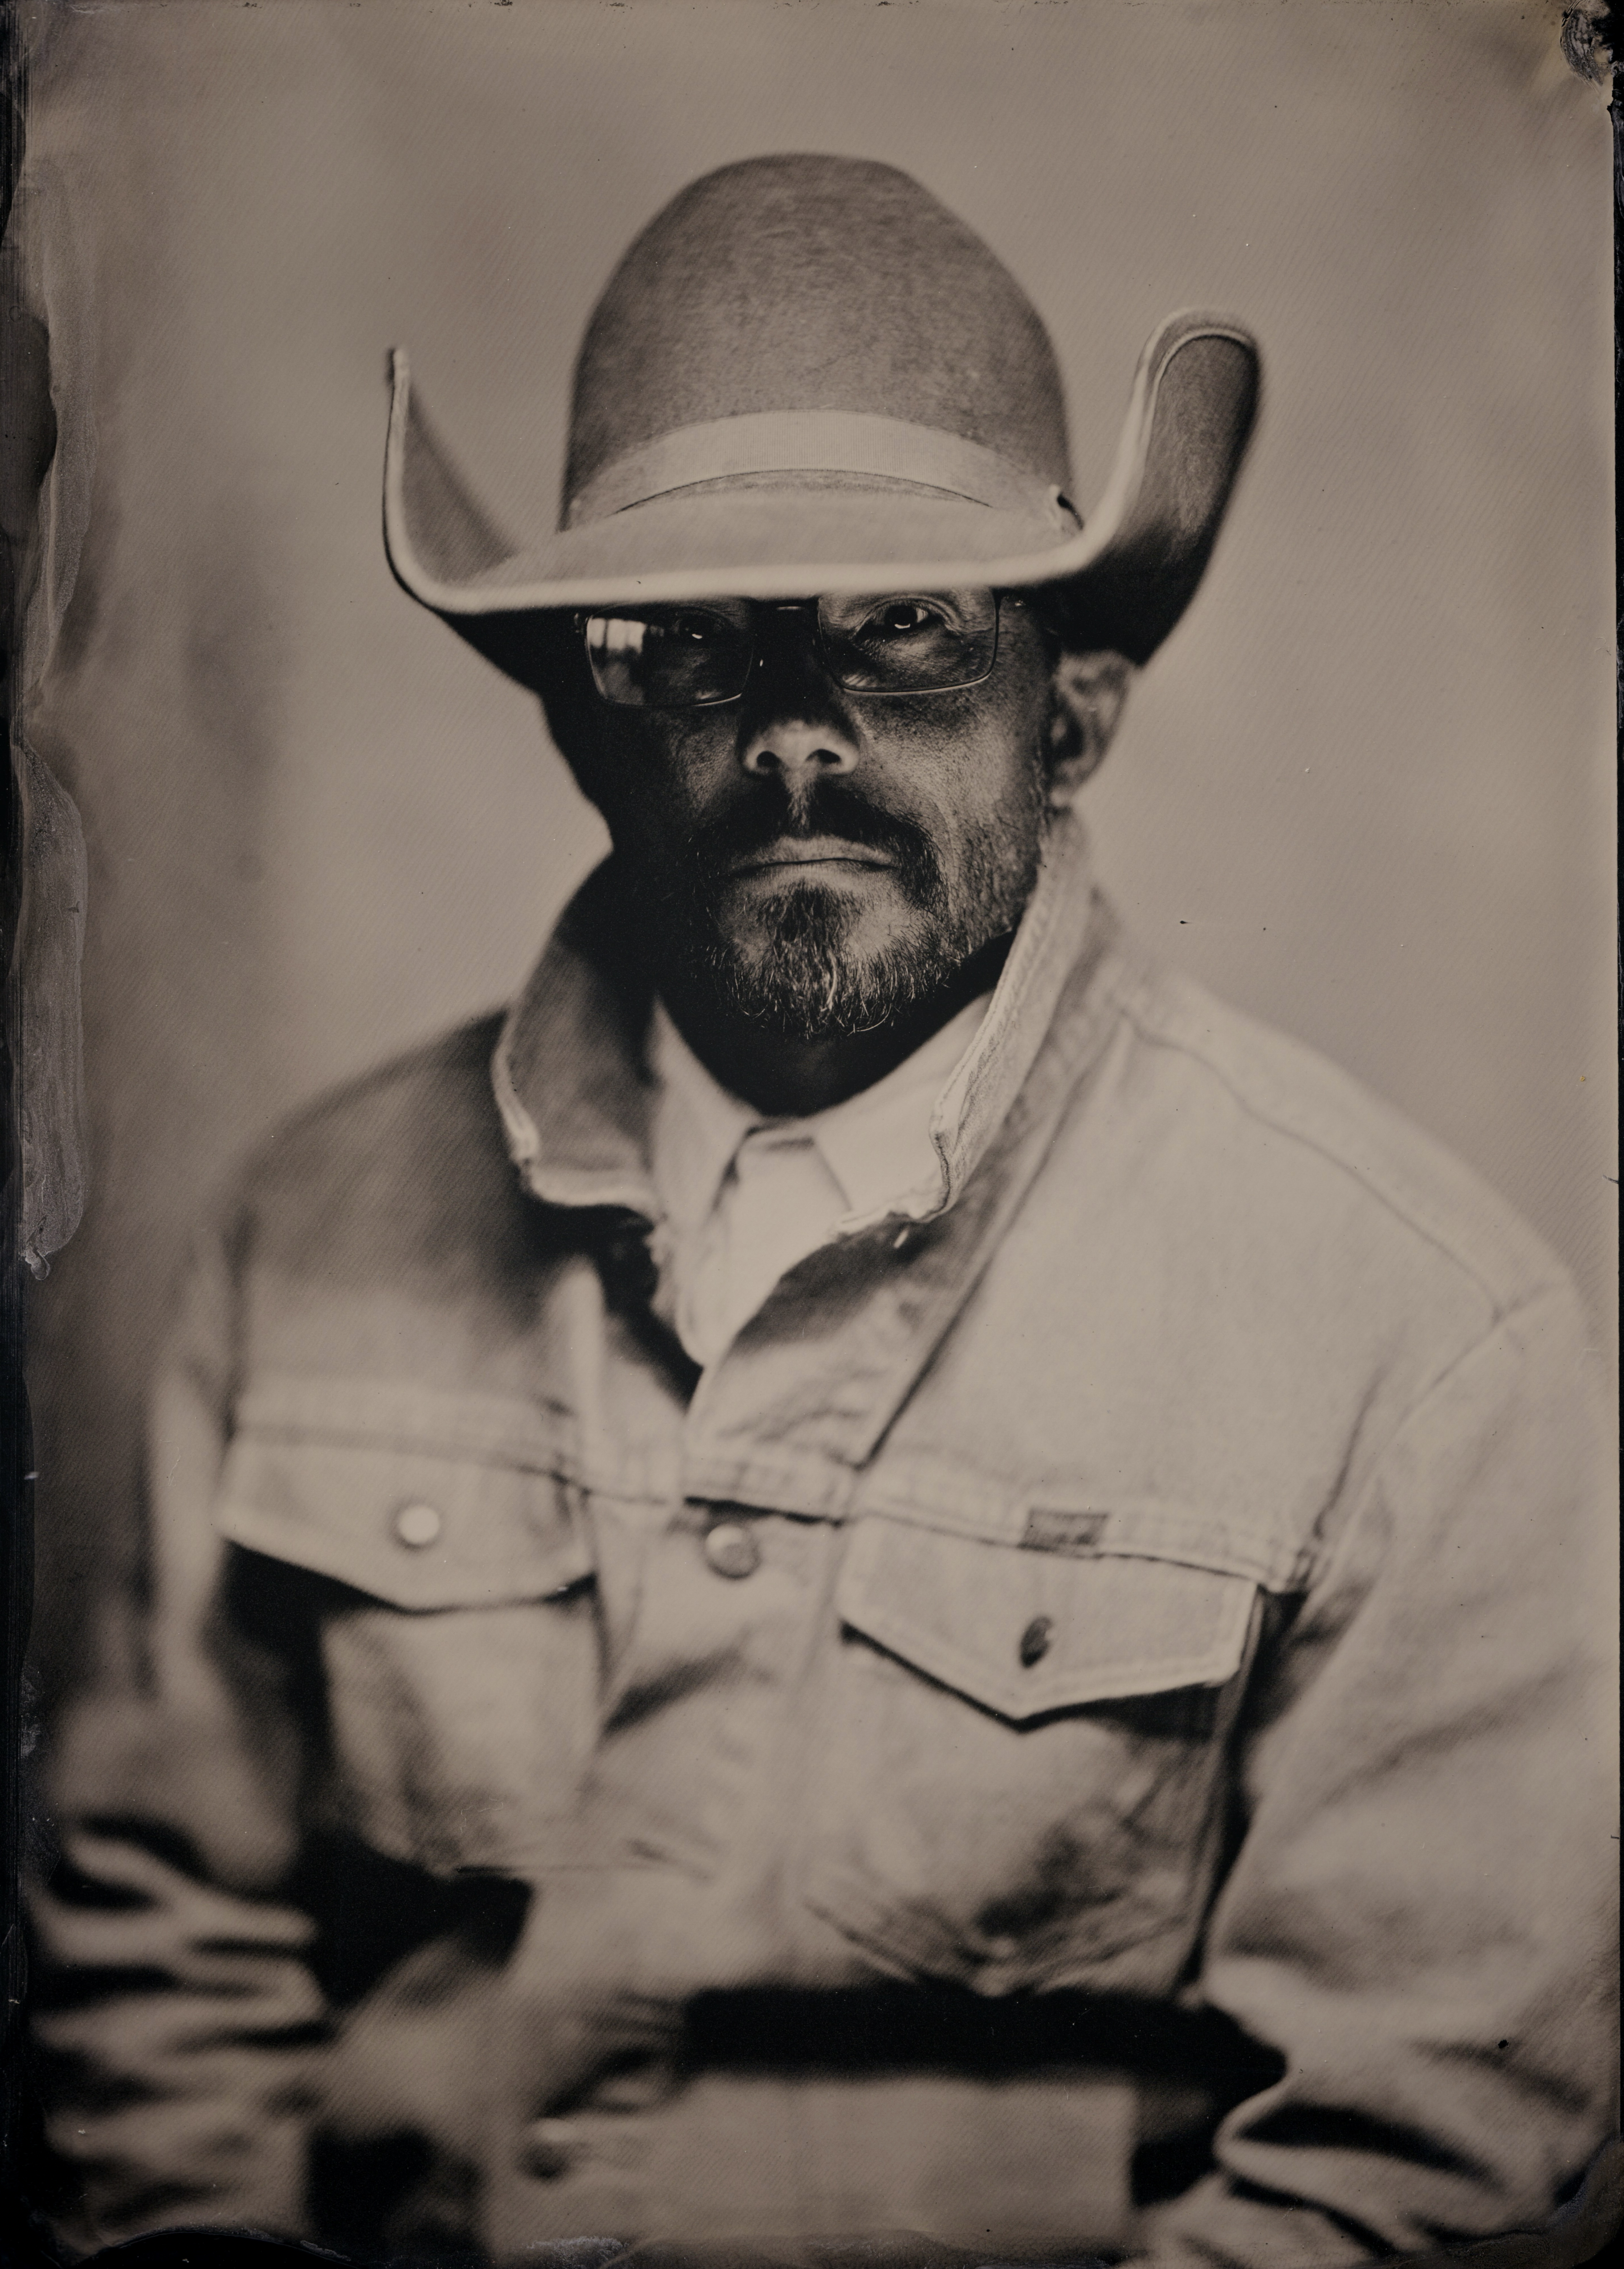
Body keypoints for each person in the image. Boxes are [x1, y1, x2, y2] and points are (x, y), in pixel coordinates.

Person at [30, 155, 1616, 2268]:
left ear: (1074, 716)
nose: (795, 742)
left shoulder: (1423, 1352)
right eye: (688, 652)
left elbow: (1411, 2171)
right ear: (582, 729)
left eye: (908, 631)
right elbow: (156, 1976)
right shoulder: (308, 1234)